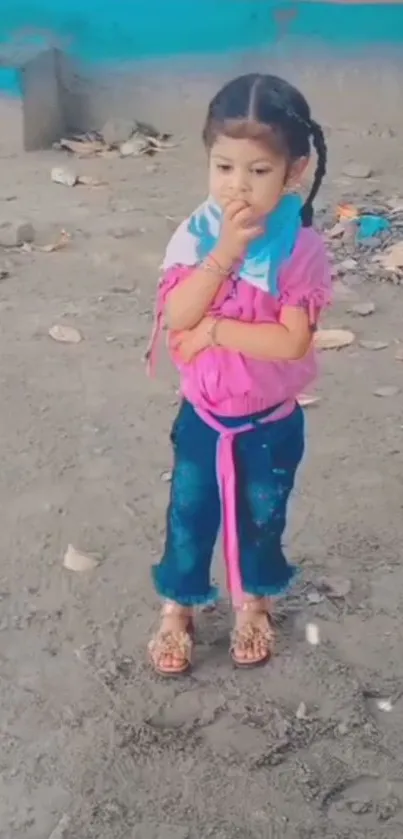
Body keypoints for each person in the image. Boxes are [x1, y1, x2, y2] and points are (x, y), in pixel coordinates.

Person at [146, 73, 332, 676]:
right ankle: (178, 608)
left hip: (271, 423)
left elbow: (289, 339)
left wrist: (218, 331)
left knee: (262, 515)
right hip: (202, 417)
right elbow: (178, 313)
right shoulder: (196, 236)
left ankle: (253, 602)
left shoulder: (298, 248)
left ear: (293, 171)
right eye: (224, 167)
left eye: (258, 171)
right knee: (189, 514)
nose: (238, 187)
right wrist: (224, 252)